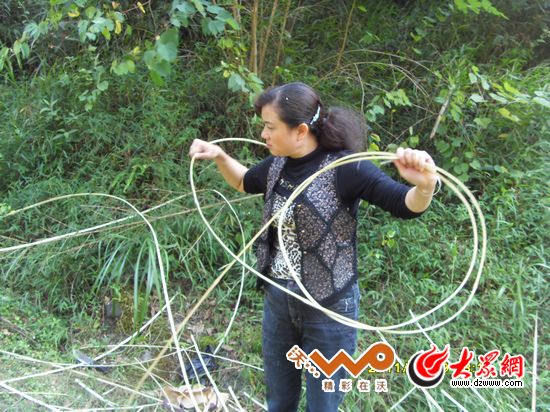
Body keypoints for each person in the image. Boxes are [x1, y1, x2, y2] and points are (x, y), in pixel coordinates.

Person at [188, 82, 437, 411]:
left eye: (270, 127)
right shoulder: (278, 164)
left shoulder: (346, 167)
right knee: (279, 401)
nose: (263, 134)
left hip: (330, 307)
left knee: (323, 404)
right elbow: (243, 181)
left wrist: (425, 186)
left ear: (301, 130)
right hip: (279, 300)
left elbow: (404, 205)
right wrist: (220, 156)